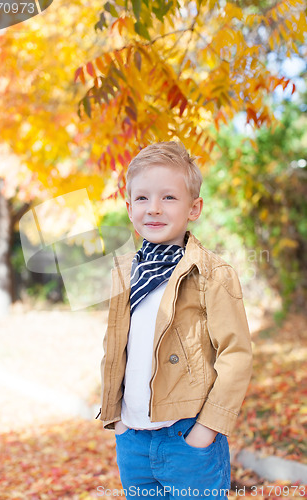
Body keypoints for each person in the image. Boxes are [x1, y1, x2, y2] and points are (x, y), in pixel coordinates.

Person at [95, 141, 253, 499]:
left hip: (188, 438)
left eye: (168, 198)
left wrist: (207, 429)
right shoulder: (125, 274)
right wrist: (116, 419)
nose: (153, 208)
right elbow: (115, 347)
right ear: (128, 207)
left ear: (193, 208)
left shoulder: (213, 273)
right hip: (133, 439)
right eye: (142, 198)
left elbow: (236, 354)